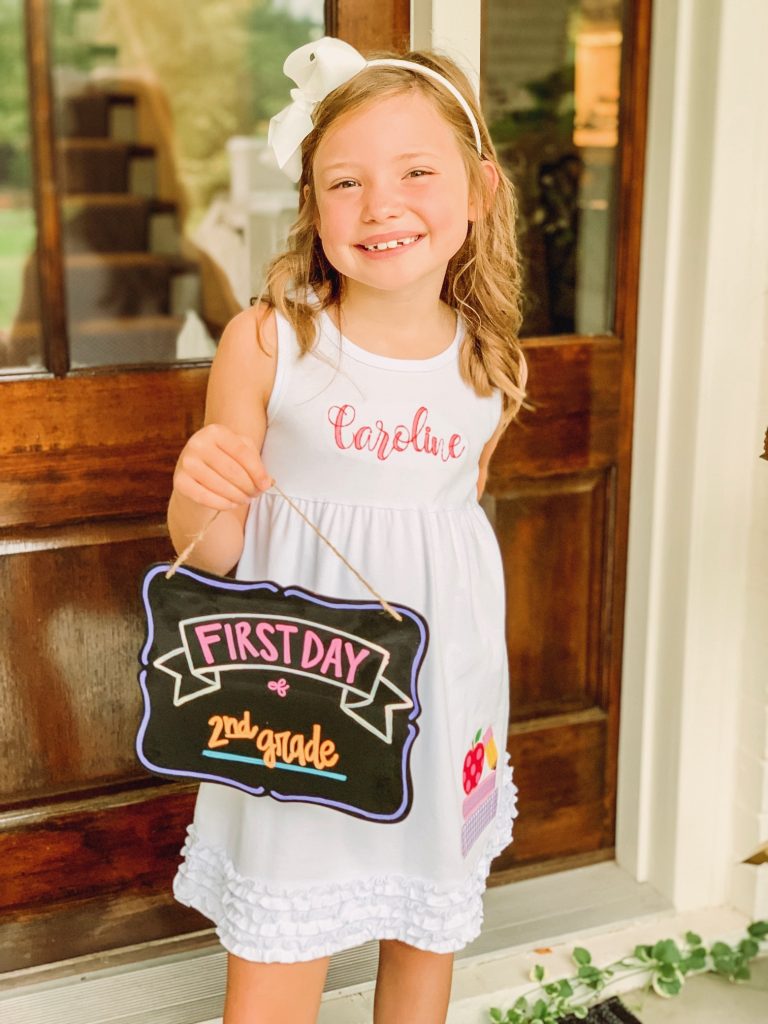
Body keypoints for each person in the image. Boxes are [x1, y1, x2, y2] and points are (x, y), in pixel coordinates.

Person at [167, 35, 528, 1024]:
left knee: (425, 921)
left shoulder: (489, 362)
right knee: (285, 929)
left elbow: (451, 523)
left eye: (416, 172)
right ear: (312, 204)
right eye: (345, 181)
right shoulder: (270, 341)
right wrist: (200, 485)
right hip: (303, 690)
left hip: (441, 690)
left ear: (479, 191)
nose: (380, 205)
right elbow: (213, 553)